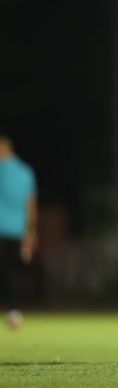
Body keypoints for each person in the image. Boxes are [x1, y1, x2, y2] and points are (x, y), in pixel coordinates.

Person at [0, 134, 37, 330]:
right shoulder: (25, 171)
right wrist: (31, 232)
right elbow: (31, 204)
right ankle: (15, 313)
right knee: (12, 272)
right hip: (17, 230)